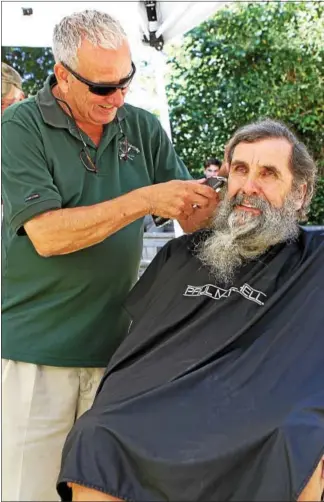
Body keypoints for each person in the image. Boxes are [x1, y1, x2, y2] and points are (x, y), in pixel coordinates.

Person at [1, 10, 218, 502]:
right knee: (28, 493)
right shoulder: (18, 127)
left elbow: (192, 218)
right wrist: (144, 199)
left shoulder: (139, 125)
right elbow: (48, 236)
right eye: (102, 88)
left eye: (126, 81)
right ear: (61, 74)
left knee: (107, 493)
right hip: (36, 355)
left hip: (119, 356)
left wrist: (228, 195)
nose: (118, 97)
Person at [57, 119, 324, 502]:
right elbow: (141, 350)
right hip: (166, 405)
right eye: (240, 170)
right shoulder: (181, 254)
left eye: (267, 174)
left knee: (299, 442)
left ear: (299, 194)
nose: (249, 187)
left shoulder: (316, 259)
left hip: (261, 417)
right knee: (96, 433)